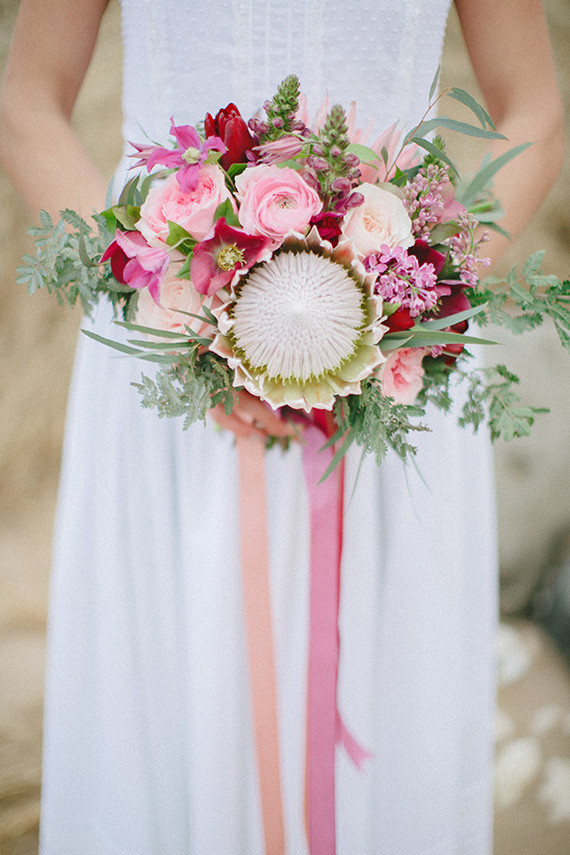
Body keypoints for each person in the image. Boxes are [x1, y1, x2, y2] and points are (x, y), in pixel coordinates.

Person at [0, 1, 563, 853]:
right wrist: (163, 311)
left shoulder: (399, 317)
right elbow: (29, 102)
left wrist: (405, 297)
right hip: (166, 350)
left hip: (390, 374)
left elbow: (535, 107)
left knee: (386, 692)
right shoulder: (162, 327)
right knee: (175, 697)